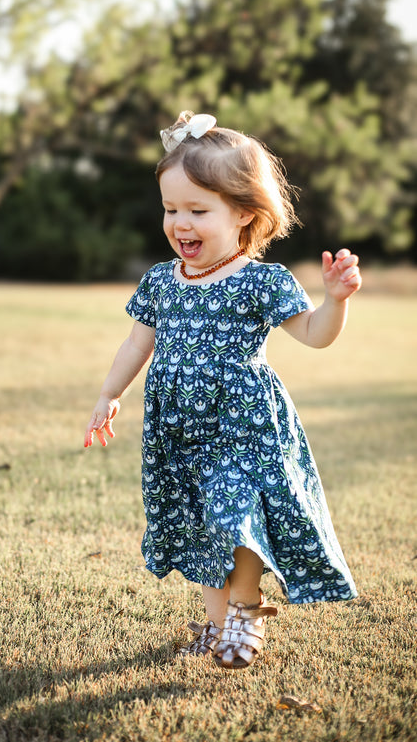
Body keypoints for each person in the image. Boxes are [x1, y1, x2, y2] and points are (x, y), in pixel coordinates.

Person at [84, 111, 361, 670]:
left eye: (197, 210)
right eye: (170, 208)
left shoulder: (261, 280)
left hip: (243, 425)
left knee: (235, 513)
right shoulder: (162, 280)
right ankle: (216, 627)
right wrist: (109, 394)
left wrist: (335, 303)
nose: (180, 223)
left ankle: (245, 612)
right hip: (178, 430)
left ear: (243, 214)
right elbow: (137, 344)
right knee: (200, 524)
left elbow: (313, 335)